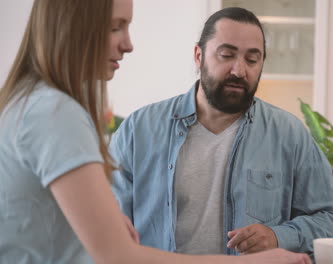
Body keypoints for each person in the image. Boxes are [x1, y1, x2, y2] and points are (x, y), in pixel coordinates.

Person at [0, 1, 311, 263]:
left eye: (252, 58)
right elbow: (117, 256)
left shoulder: (29, 101)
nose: (128, 44)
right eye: (114, 27)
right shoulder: (58, 114)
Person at [110, 6, 333, 258]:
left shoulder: (289, 134)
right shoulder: (139, 130)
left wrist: (278, 236)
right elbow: (107, 226)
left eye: (252, 59)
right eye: (226, 55)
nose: (239, 70)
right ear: (198, 56)